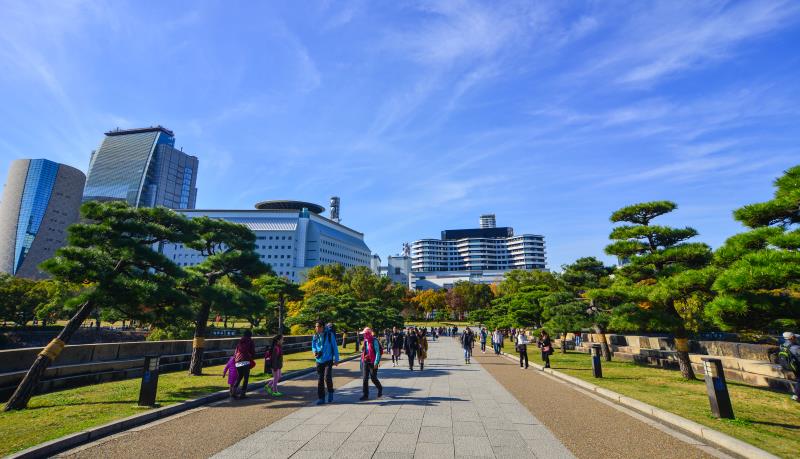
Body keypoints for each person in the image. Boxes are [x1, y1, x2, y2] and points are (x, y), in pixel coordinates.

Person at [312, 321, 340, 405]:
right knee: (320, 380)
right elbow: (313, 346)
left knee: (327, 377)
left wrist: (336, 359)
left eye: (319, 326)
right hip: (319, 360)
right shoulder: (315, 336)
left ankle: (330, 392)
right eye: (316, 326)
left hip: (328, 359)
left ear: (323, 327)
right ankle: (321, 398)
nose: (317, 328)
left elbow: (334, 347)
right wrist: (314, 352)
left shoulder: (329, 335)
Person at [360, 327, 383, 400]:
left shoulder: (374, 341)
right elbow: (364, 351)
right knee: (365, 378)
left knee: (373, 378)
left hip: (373, 362)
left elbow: (377, 352)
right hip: (366, 361)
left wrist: (376, 363)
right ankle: (365, 395)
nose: (364, 335)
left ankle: (380, 388)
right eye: (363, 334)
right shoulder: (365, 341)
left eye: (365, 334)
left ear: (368, 334)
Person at [232, 330, 255, 399]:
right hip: (245, 360)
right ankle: (243, 394)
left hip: (238, 360)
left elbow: (236, 351)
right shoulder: (250, 341)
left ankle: (233, 391)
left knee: (239, 376)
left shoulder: (240, 341)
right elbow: (252, 351)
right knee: (246, 378)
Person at [779, 332, 800, 401]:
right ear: (792, 338)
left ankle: (796, 395)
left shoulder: (783, 345)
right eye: (794, 337)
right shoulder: (796, 348)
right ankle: (797, 395)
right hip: (797, 366)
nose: (795, 337)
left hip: (789, 366)